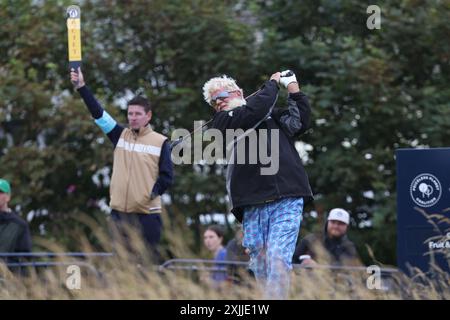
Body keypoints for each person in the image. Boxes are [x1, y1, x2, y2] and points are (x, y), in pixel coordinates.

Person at [202, 70, 313, 299]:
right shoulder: (221, 123)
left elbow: (300, 121)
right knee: (261, 267)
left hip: (287, 196)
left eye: (222, 96)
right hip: (251, 205)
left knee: (278, 260)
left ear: (239, 93)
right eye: (214, 101)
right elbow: (255, 110)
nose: (219, 102)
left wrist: (292, 87)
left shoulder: (271, 115)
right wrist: (272, 83)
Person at [70, 68, 173, 263]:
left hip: (147, 215)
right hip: (119, 215)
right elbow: (98, 113)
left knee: (147, 265)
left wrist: (148, 194)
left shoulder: (160, 142)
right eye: (130, 113)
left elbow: (167, 177)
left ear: (148, 116)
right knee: (122, 266)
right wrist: (82, 87)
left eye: (137, 114)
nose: (132, 117)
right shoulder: (119, 135)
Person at [292, 208, 360, 266]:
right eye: (333, 222)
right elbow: (292, 260)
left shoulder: (349, 247)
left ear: (346, 227)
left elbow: (347, 269)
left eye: (340, 223)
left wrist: (319, 267)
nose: (336, 226)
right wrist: (303, 263)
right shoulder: (310, 240)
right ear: (327, 222)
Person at [0, 179, 32, 258]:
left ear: (8, 197)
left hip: (9, 270)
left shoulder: (20, 225)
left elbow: (25, 260)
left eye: (0, 192)